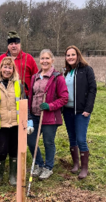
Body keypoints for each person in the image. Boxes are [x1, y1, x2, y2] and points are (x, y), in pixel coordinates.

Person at [0, 31, 39, 163]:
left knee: (19, 129)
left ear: (20, 44)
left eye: (16, 43)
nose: (14, 46)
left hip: (23, 100)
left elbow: (36, 77)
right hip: (4, 101)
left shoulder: (29, 59)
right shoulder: (1, 59)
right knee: (0, 126)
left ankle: (17, 155)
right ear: (8, 46)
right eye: (11, 43)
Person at [0, 57, 34, 186]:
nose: (7, 70)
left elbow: (25, 105)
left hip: (16, 125)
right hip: (1, 125)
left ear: (13, 70)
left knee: (13, 150)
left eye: (10, 67)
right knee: (1, 151)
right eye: (5, 67)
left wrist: (29, 122)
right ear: (0, 69)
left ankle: (13, 175)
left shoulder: (19, 85)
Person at [27, 49, 68, 180]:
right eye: (42, 58)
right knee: (31, 141)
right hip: (34, 116)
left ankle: (48, 167)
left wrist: (50, 106)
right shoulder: (35, 77)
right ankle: (38, 164)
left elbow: (64, 98)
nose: (44, 61)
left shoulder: (57, 77)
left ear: (52, 60)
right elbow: (31, 96)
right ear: (39, 60)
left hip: (49, 117)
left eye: (47, 58)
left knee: (48, 142)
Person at [62, 45, 97, 179]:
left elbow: (93, 89)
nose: (70, 57)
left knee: (81, 139)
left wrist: (88, 109)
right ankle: (75, 163)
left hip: (81, 111)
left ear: (78, 55)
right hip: (67, 110)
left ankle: (84, 167)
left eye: (73, 54)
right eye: (68, 55)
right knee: (72, 138)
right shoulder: (66, 72)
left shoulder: (86, 70)